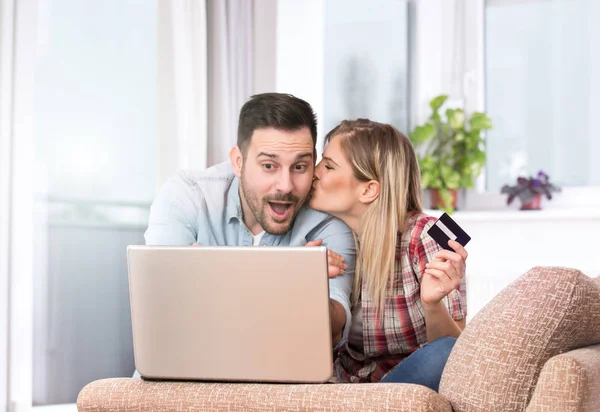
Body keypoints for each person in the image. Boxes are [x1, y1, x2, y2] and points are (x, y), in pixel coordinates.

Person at [144, 93, 354, 348]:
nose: (286, 186)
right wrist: (286, 276)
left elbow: (334, 329)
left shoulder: (328, 225)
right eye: (269, 166)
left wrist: (213, 283)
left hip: (278, 379)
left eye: (299, 167)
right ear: (238, 162)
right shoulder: (187, 196)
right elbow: (164, 307)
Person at [308, 119, 467, 391]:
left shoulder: (431, 233)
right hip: (342, 389)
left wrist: (432, 304)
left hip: (400, 387)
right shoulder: (322, 235)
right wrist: (300, 278)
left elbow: (456, 355)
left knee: (445, 351)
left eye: (328, 165)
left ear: (368, 189)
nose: (314, 172)